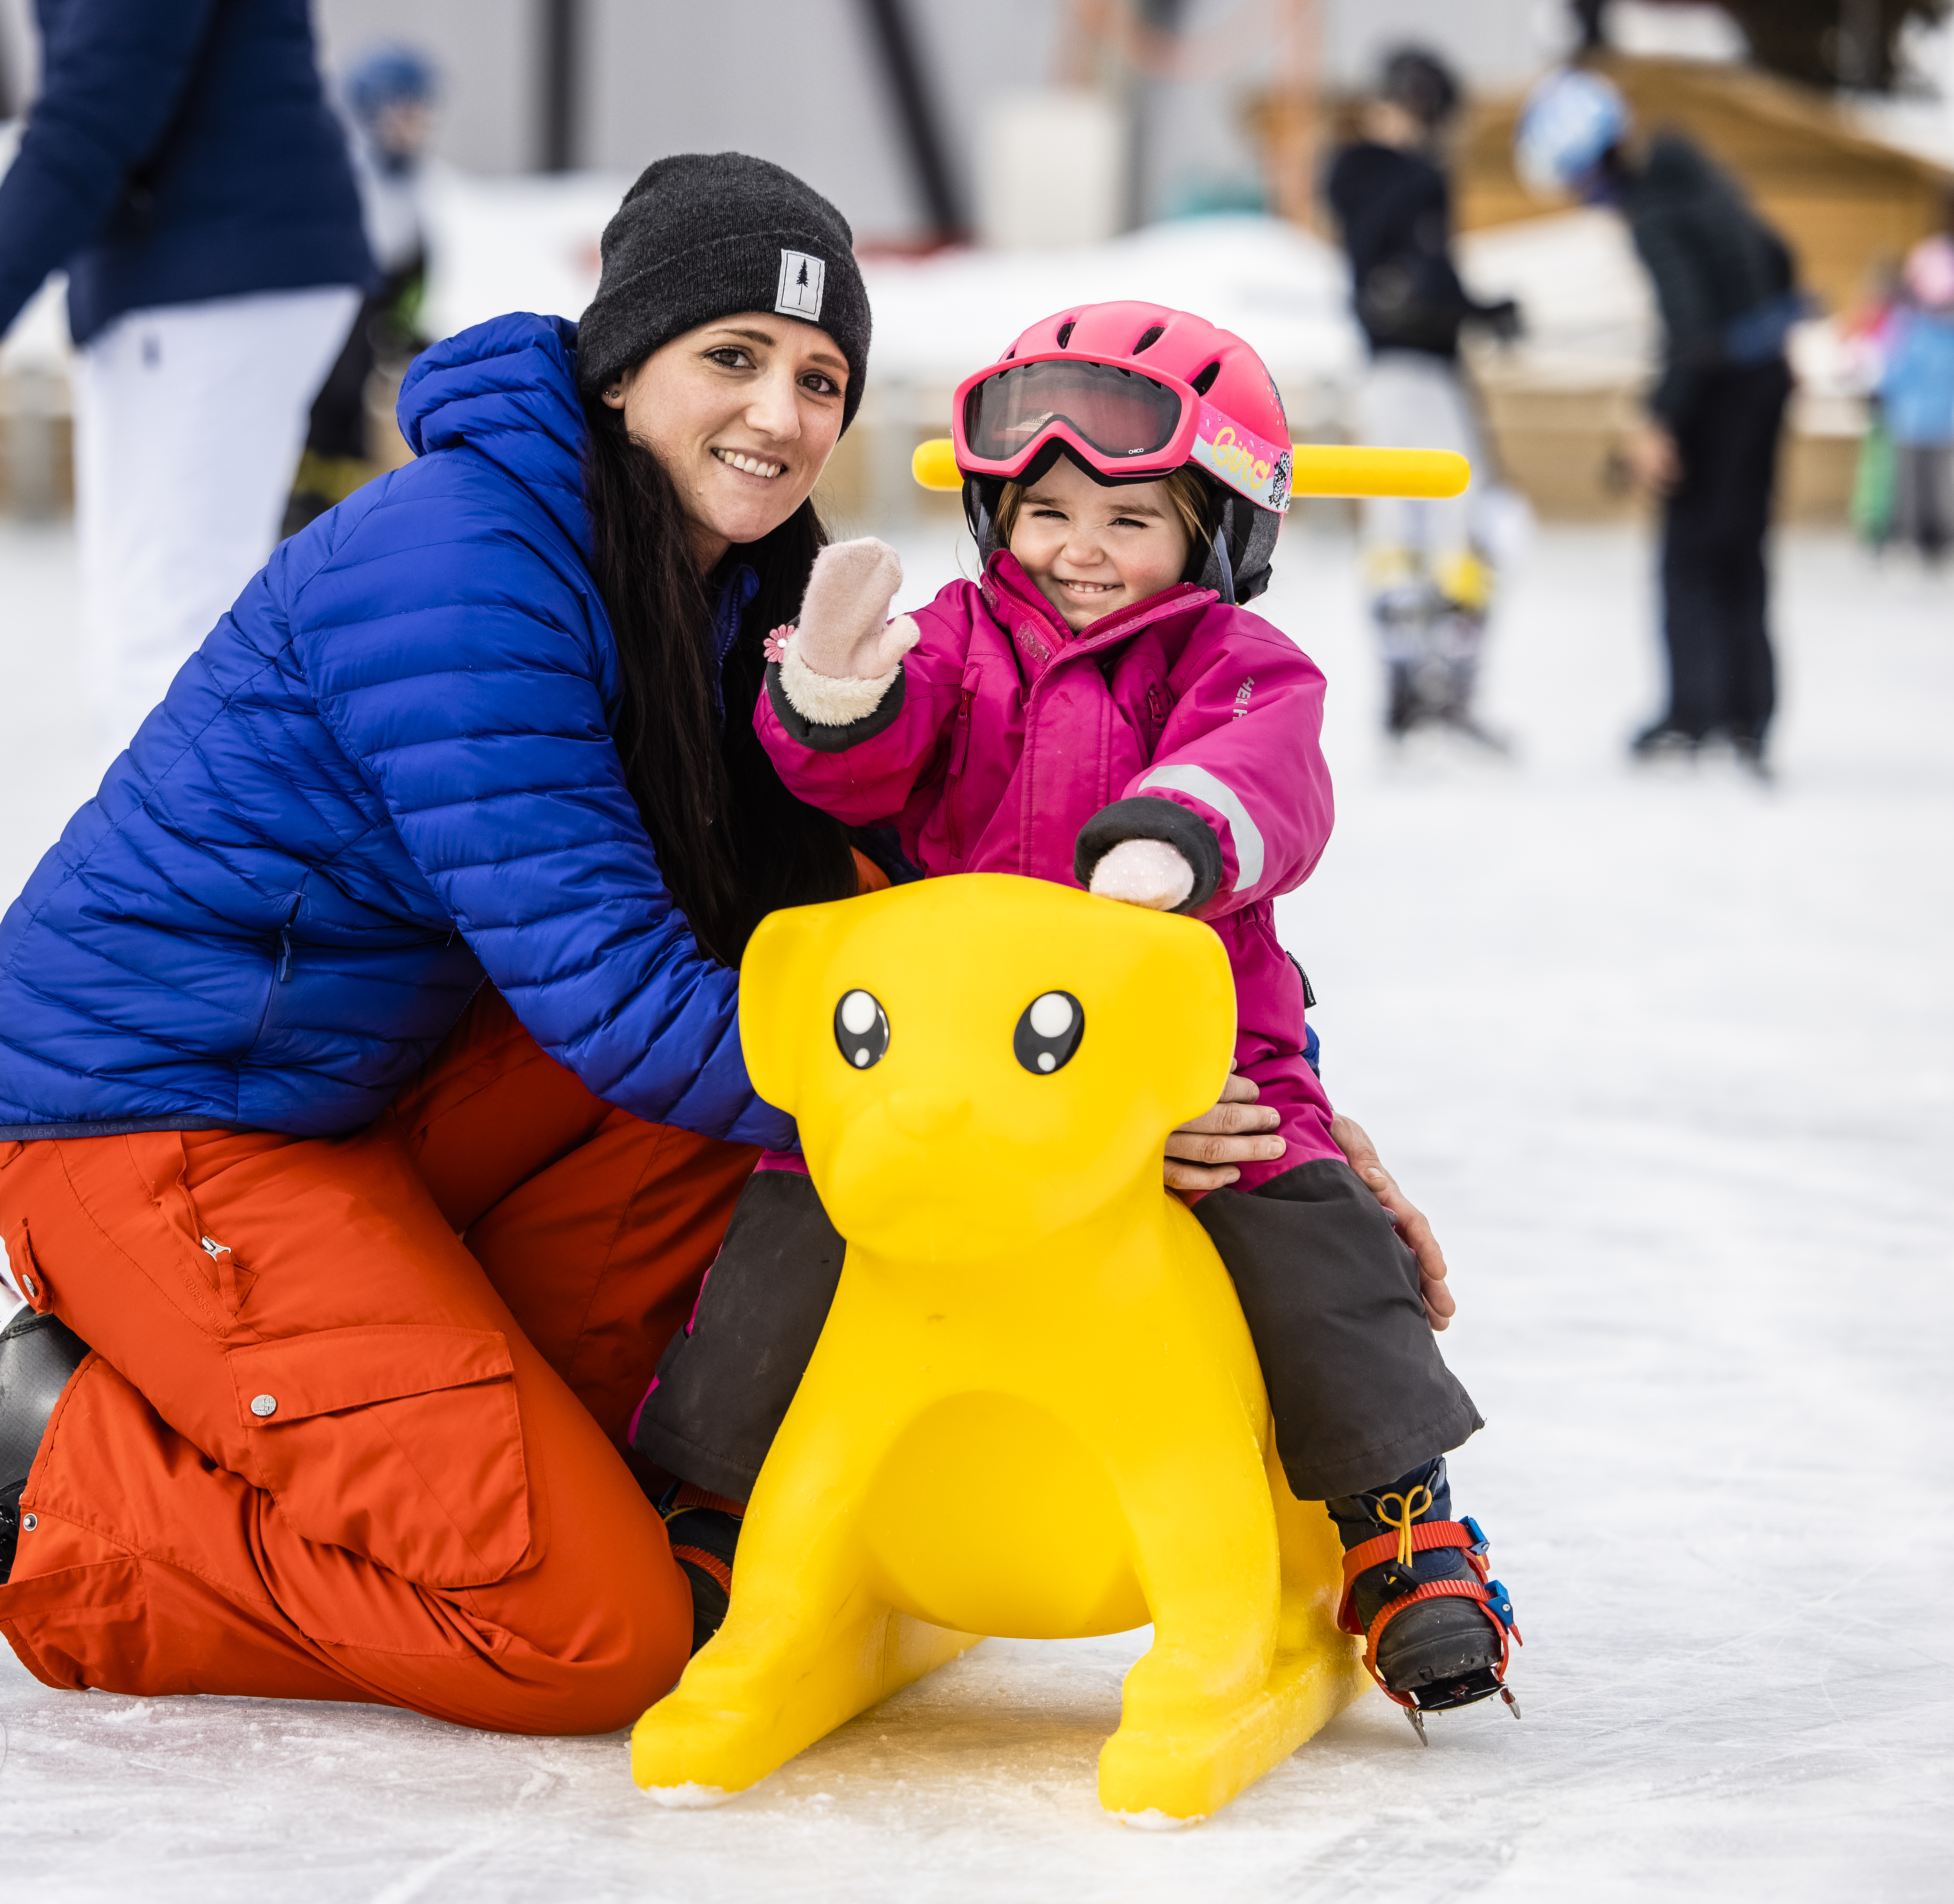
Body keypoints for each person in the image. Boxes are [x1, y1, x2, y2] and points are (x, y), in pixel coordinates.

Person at [0, 156, 1455, 1739]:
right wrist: (1061, 1133)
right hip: (169, 1117)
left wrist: (1253, 1106)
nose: (781, 414)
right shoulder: (463, 566)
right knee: (590, 1633)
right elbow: (612, 990)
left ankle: (360, 1416)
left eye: (821, 377)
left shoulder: (732, 578)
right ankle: (67, 1468)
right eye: (732, 356)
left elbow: (872, 903)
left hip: (392, 1076)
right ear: (620, 365)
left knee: (761, 1218)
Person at [632, 302, 1517, 1732]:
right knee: (793, 1218)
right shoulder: (961, 640)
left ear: (1214, 532)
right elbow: (862, 765)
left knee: (1299, 1225)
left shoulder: (1229, 660)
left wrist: (1179, 828)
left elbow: (1271, 772)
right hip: (953, 1059)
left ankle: (1394, 1521)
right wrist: (836, 688)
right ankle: (715, 1497)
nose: (1079, 549)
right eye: (1043, 511)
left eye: (1128, 516)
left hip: (1193, 1061)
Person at [0, 0, 376, 750]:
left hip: (206, 274)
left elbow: (97, 105)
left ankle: (179, 860)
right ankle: (191, 851)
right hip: (221, 260)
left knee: (167, 621)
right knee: (170, 611)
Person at [1517, 67, 1802, 779]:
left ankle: (1694, 715)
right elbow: (1780, 261)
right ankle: (1745, 718)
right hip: (1765, 380)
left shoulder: (1656, 212)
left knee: (1691, 557)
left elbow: (1692, 330)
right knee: (1740, 552)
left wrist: (1658, 424)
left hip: (1722, 392)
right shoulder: (1698, 180)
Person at [1325, 45, 1523, 749]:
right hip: (1399, 374)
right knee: (1439, 528)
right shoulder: (1373, 171)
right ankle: (1415, 688)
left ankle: (1438, 688)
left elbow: (1430, 278)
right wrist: (1465, 309)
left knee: (1440, 534)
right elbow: (1394, 279)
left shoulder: (1409, 177)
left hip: (1426, 371)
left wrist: (1479, 310)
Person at [282, 42, 439, 534]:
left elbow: (408, 283)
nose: (417, 124)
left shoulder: (405, 190)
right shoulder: (342, 183)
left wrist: (405, 329)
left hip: (353, 391)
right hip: (315, 390)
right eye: (405, 110)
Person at [1876, 227, 1954, 566]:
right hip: (1919, 419)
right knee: (1919, 486)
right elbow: (1896, 367)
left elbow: (1894, 367)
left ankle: (1925, 542)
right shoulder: (1911, 324)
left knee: (1924, 486)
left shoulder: (1911, 325)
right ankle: (1918, 542)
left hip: (1924, 419)